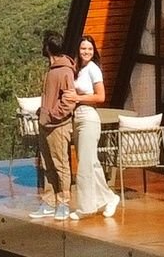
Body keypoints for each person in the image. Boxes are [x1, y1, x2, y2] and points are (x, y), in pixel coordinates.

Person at [63, 35, 121, 219]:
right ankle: (109, 198)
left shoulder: (94, 69)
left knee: (85, 165)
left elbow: (100, 96)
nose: (86, 52)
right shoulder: (79, 69)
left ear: (94, 51)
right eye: (83, 48)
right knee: (90, 162)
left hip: (88, 117)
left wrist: (78, 98)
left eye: (89, 49)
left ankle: (85, 208)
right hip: (78, 117)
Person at [29, 31, 77, 221]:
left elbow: (69, 101)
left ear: (48, 48)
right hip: (46, 125)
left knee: (60, 165)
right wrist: (43, 113)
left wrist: (52, 115)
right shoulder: (52, 70)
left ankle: (63, 203)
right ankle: (49, 202)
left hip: (58, 126)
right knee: (47, 165)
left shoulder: (65, 71)